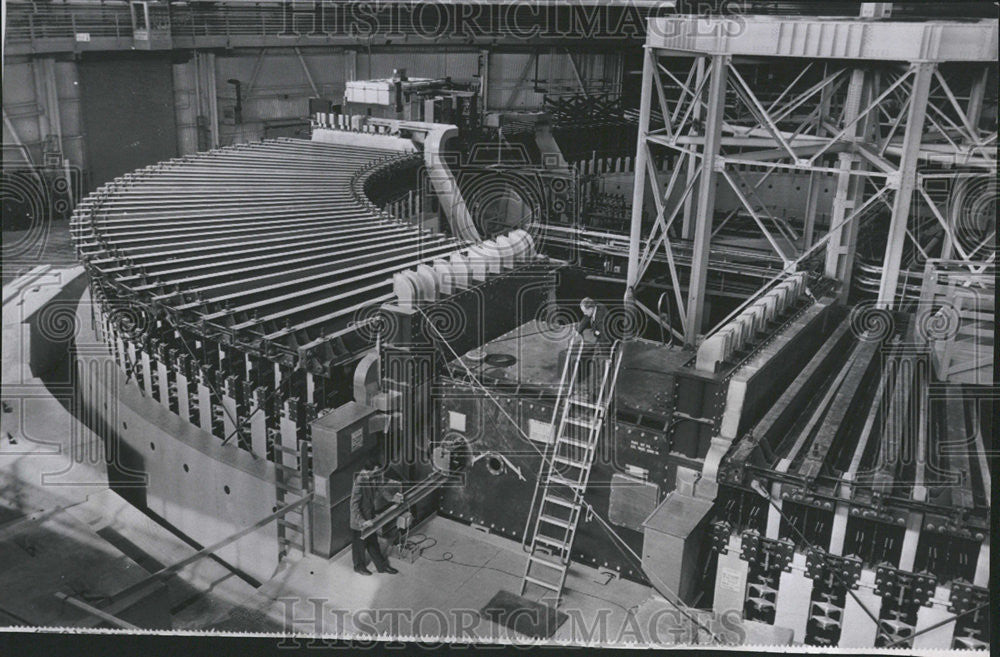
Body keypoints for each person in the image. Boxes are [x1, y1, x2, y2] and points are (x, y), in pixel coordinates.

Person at [350, 453, 404, 576]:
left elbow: (382, 489)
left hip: (370, 516)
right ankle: (358, 567)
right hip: (359, 520)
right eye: (375, 471)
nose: (377, 474)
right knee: (359, 545)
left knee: (373, 542)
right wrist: (362, 521)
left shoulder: (374, 477)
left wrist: (393, 498)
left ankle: (382, 566)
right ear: (368, 470)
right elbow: (354, 506)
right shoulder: (359, 481)